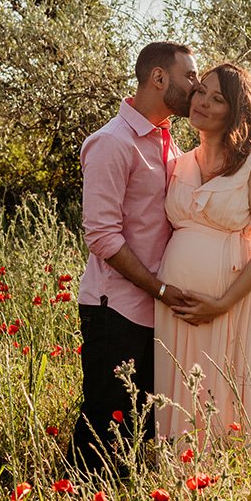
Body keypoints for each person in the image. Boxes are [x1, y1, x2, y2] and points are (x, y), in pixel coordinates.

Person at [71, 42, 200, 474]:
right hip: (116, 311)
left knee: (138, 433)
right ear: (158, 78)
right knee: (104, 433)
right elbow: (102, 237)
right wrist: (160, 289)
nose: (196, 87)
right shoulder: (112, 143)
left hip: (156, 313)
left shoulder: (168, 144)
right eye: (190, 77)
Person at [154, 62, 251, 451]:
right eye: (201, 91)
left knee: (234, 406)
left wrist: (220, 302)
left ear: (235, 112)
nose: (202, 102)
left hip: (239, 307)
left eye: (218, 99)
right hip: (178, 310)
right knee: (183, 397)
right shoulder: (178, 163)